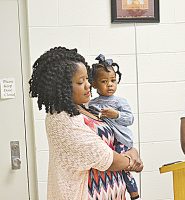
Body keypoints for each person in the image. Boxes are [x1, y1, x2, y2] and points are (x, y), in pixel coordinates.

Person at [29, 46, 143, 200]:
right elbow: (106, 159)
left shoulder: (85, 109)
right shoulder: (63, 120)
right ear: (62, 87)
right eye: (80, 82)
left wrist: (132, 151)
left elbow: (115, 138)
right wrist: (131, 161)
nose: (88, 85)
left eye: (87, 79)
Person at [88, 54, 140, 200]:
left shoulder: (120, 102)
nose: (110, 84)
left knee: (123, 168)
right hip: (106, 143)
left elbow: (130, 119)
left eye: (113, 81)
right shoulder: (91, 104)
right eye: (104, 81)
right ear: (94, 84)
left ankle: (135, 195)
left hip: (121, 140)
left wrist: (115, 114)